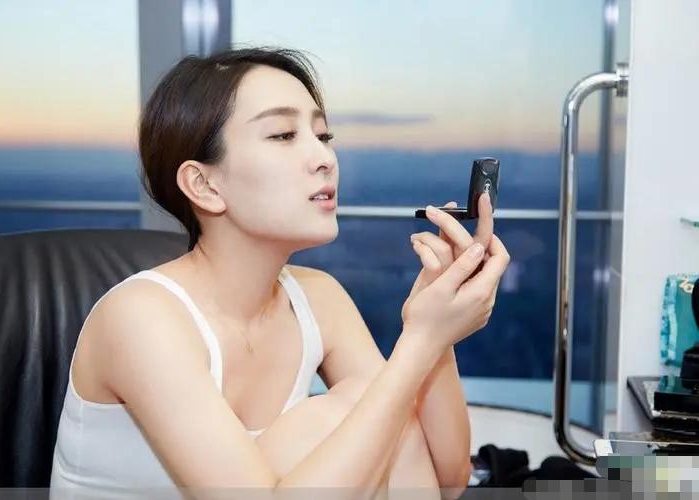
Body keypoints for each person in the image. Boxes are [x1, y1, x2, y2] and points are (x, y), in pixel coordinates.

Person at [49, 47, 510, 500]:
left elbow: (445, 479)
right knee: (337, 417)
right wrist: (420, 341)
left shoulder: (319, 297)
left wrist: (437, 331)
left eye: (323, 136)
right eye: (284, 135)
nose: (325, 158)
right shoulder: (141, 317)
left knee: (364, 405)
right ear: (204, 185)